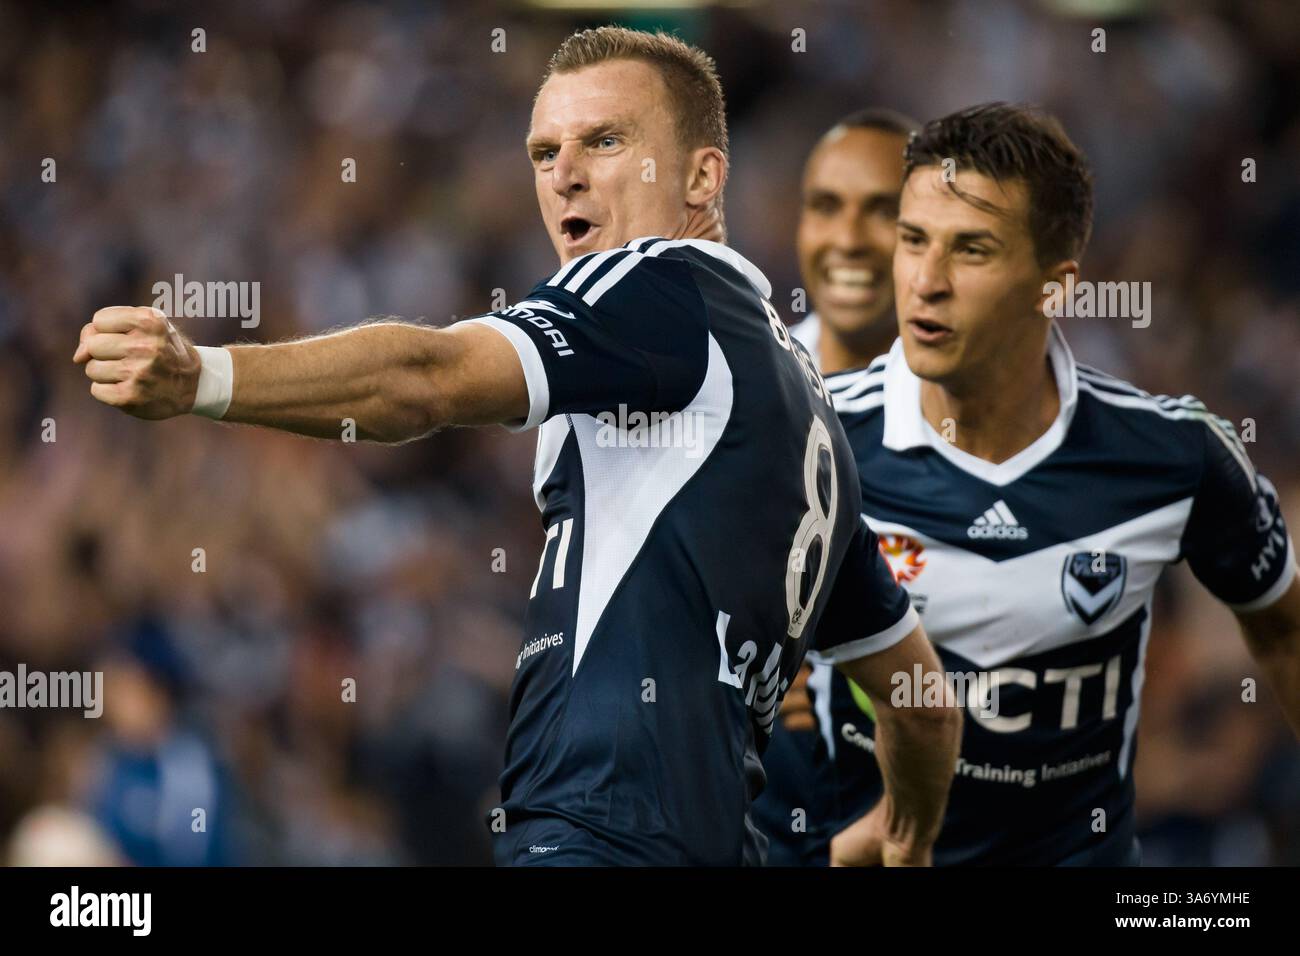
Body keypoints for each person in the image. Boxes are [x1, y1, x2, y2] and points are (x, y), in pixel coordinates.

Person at [73, 27, 960, 866]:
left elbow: (425, 376)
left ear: (701, 178)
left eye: (604, 142)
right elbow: (922, 706)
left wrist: (205, 379)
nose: (565, 177)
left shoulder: (661, 286)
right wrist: (906, 841)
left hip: (595, 831)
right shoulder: (812, 421)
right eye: (544, 152)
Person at [824, 102, 1300, 866]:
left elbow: (1284, 629)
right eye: (913, 241)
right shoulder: (817, 443)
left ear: (1055, 287)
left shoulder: (1173, 454)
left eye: (971, 250)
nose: (926, 282)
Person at [751, 108, 917, 865]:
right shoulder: (745, 388)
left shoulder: (999, 406)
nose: (848, 239)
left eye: (882, 211)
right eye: (826, 206)